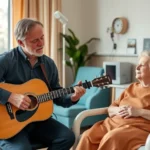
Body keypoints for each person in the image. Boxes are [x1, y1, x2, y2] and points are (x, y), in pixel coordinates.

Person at [0, 18, 86, 150]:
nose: (41, 43)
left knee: (67, 137)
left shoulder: (49, 64)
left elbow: (57, 95)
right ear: (20, 42)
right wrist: (11, 96)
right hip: (9, 123)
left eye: (42, 38)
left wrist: (73, 98)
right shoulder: (6, 60)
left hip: (38, 121)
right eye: (35, 41)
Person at [76, 50, 150, 150]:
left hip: (137, 128)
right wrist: (117, 110)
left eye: (142, 65)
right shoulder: (131, 87)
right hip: (113, 123)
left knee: (111, 138)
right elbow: (111, 109)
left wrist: (138, 112)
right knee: (87, 136)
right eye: (138, 64)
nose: (137, 68)